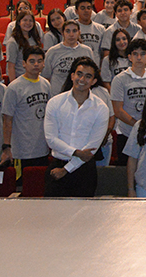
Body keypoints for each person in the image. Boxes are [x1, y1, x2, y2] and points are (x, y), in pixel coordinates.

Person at [43, 57, 111, 197]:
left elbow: (91, 149)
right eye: (79, 74)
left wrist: (66, 170)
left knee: (84, 217)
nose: (82, 79)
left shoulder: (101, 108)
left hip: (84, 171)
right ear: (72, 76)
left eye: (88, 76)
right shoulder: (55, 103)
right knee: (52, 216)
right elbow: (51, 139)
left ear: (93, 81)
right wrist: (76, 152)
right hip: (56, 166)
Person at [110, 39, 146, 167]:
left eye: (143, 54)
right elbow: (118, 110)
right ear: (129, 57)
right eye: (135, 54)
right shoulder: (119, 79)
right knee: (125, 172)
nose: (139, 57)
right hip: (126, 132)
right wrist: (137, 124)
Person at [1, 46, 51, 174]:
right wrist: (7, 147)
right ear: (24, 63)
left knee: (38, 187)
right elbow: (7, 119)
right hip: (21, 150)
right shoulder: (14, 88)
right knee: (21, 189)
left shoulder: (46, 84)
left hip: (42, 148)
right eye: (32, 61)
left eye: (39, 61)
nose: (36, 64)